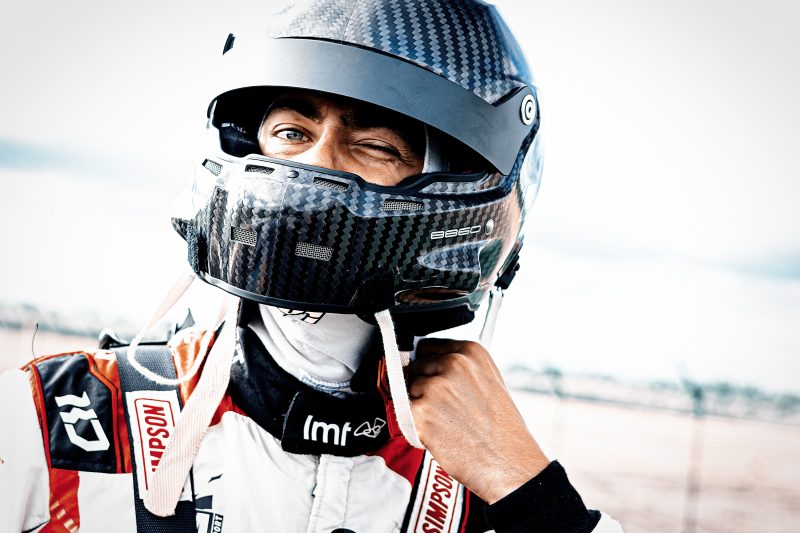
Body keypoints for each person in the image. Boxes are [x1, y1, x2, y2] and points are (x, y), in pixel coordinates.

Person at [0, 1, 623, 531]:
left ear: (460, 195)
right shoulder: (53, 421)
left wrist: (533, 495)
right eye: (292, 132)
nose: (314, 165)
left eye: (376, 145)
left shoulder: (484, 491)